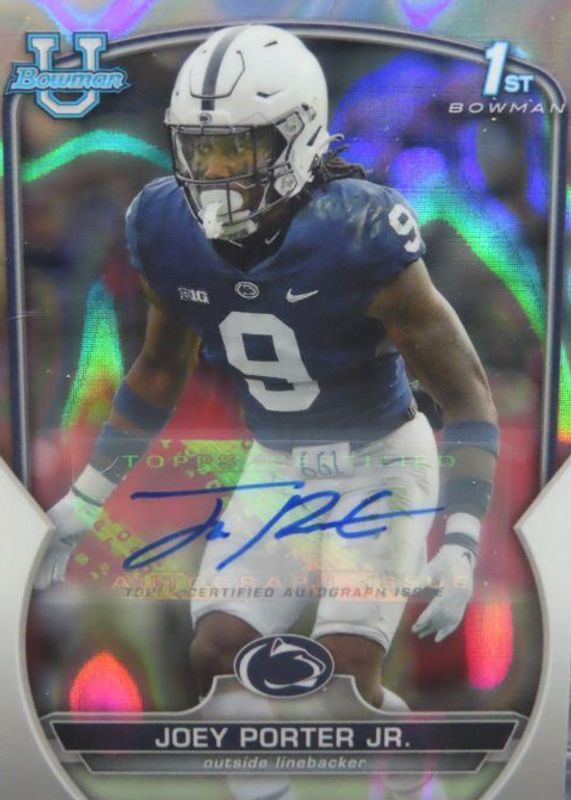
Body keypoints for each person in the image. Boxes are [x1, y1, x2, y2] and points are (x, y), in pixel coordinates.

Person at [35, 23, 498, 800]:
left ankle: (413, 781)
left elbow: (465, 391)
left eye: (235, 150)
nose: (211, 174)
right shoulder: (164, 225)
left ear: (297, 138)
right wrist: (84, 503)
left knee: (344, 680)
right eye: (198, 150)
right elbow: (158, 370)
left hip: (380, 460)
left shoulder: (358, 233)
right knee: (218, 657)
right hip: (277, 460)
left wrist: (460, 538)